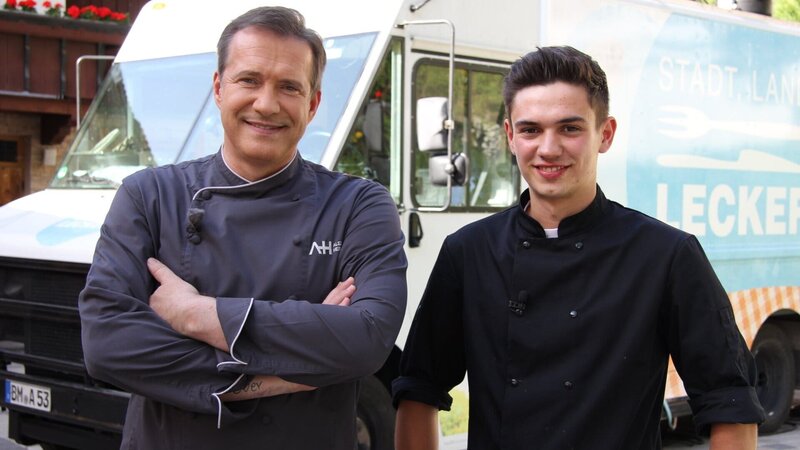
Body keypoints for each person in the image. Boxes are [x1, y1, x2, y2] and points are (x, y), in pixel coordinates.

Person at [392, 46, 764, 450]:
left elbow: (730, 402)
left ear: (605, 134)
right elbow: (418, 391)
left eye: (569, 128)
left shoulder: (666, 255)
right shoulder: (468, 253)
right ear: (510, 136)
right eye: (531, 129)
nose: (548, 149)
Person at [78, 6, 407, 450]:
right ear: (218, 88)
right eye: (249, 80)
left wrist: (199, 314)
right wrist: (291, 372)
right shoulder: (149, 196)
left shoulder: (358, 205)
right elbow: (108, 345)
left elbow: (369, 338)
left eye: (289, 87)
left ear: (312, 104)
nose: (266, 104)